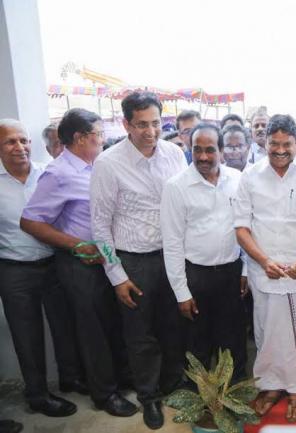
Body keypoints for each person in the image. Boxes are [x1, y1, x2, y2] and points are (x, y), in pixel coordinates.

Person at [20, 109, 136, 417]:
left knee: (113, 323)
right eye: (99, 134)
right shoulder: (58, 174)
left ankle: (121, 378)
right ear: (80, 138)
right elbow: (30, 221)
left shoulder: (100, 165)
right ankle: (105, 394)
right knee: (92, 330)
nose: (103, 139)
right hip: (80, 263)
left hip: (108, 258)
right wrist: (78, 245)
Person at [90, 92, 187, 430]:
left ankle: (173, 384)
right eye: (142, 125)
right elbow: (99, 226)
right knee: (140, 334)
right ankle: (149, 396)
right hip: (134, 262)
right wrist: (116, 275)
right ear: (126, 124)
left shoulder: (175, 154)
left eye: (156, 123)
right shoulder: (108, 163)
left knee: (173, 326)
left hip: (173, 255)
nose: (151, 131)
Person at [234, 114, 296, 423]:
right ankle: (271, 386)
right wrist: (263, 261)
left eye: (287, 144)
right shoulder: (250, 176)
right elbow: (241, 228)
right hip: (264, 269)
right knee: (267, 330)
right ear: (265, 142)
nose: (280, 150)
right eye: (274, 143)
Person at [0, 119, 84, 417]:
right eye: (10, 141)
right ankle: (37, 395)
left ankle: (71, 378)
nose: (19, 147)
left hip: (53, 263)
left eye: (23, 140)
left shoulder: (47, 173)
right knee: (27, 334)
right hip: (15, 271)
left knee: (65, 325)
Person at [161, 123, 247, 380]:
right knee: (197, 342)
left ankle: (235, 392)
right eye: (197, 149)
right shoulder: (176, 186)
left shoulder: (238, 179)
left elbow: (247, 227)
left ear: (221, 151)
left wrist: (245, 269)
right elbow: (172, 243)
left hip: (231, 274)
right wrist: (181, 292)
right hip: (196, 276)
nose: (203, 157)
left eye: (210, 150)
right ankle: (199, 395)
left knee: (233, 339)